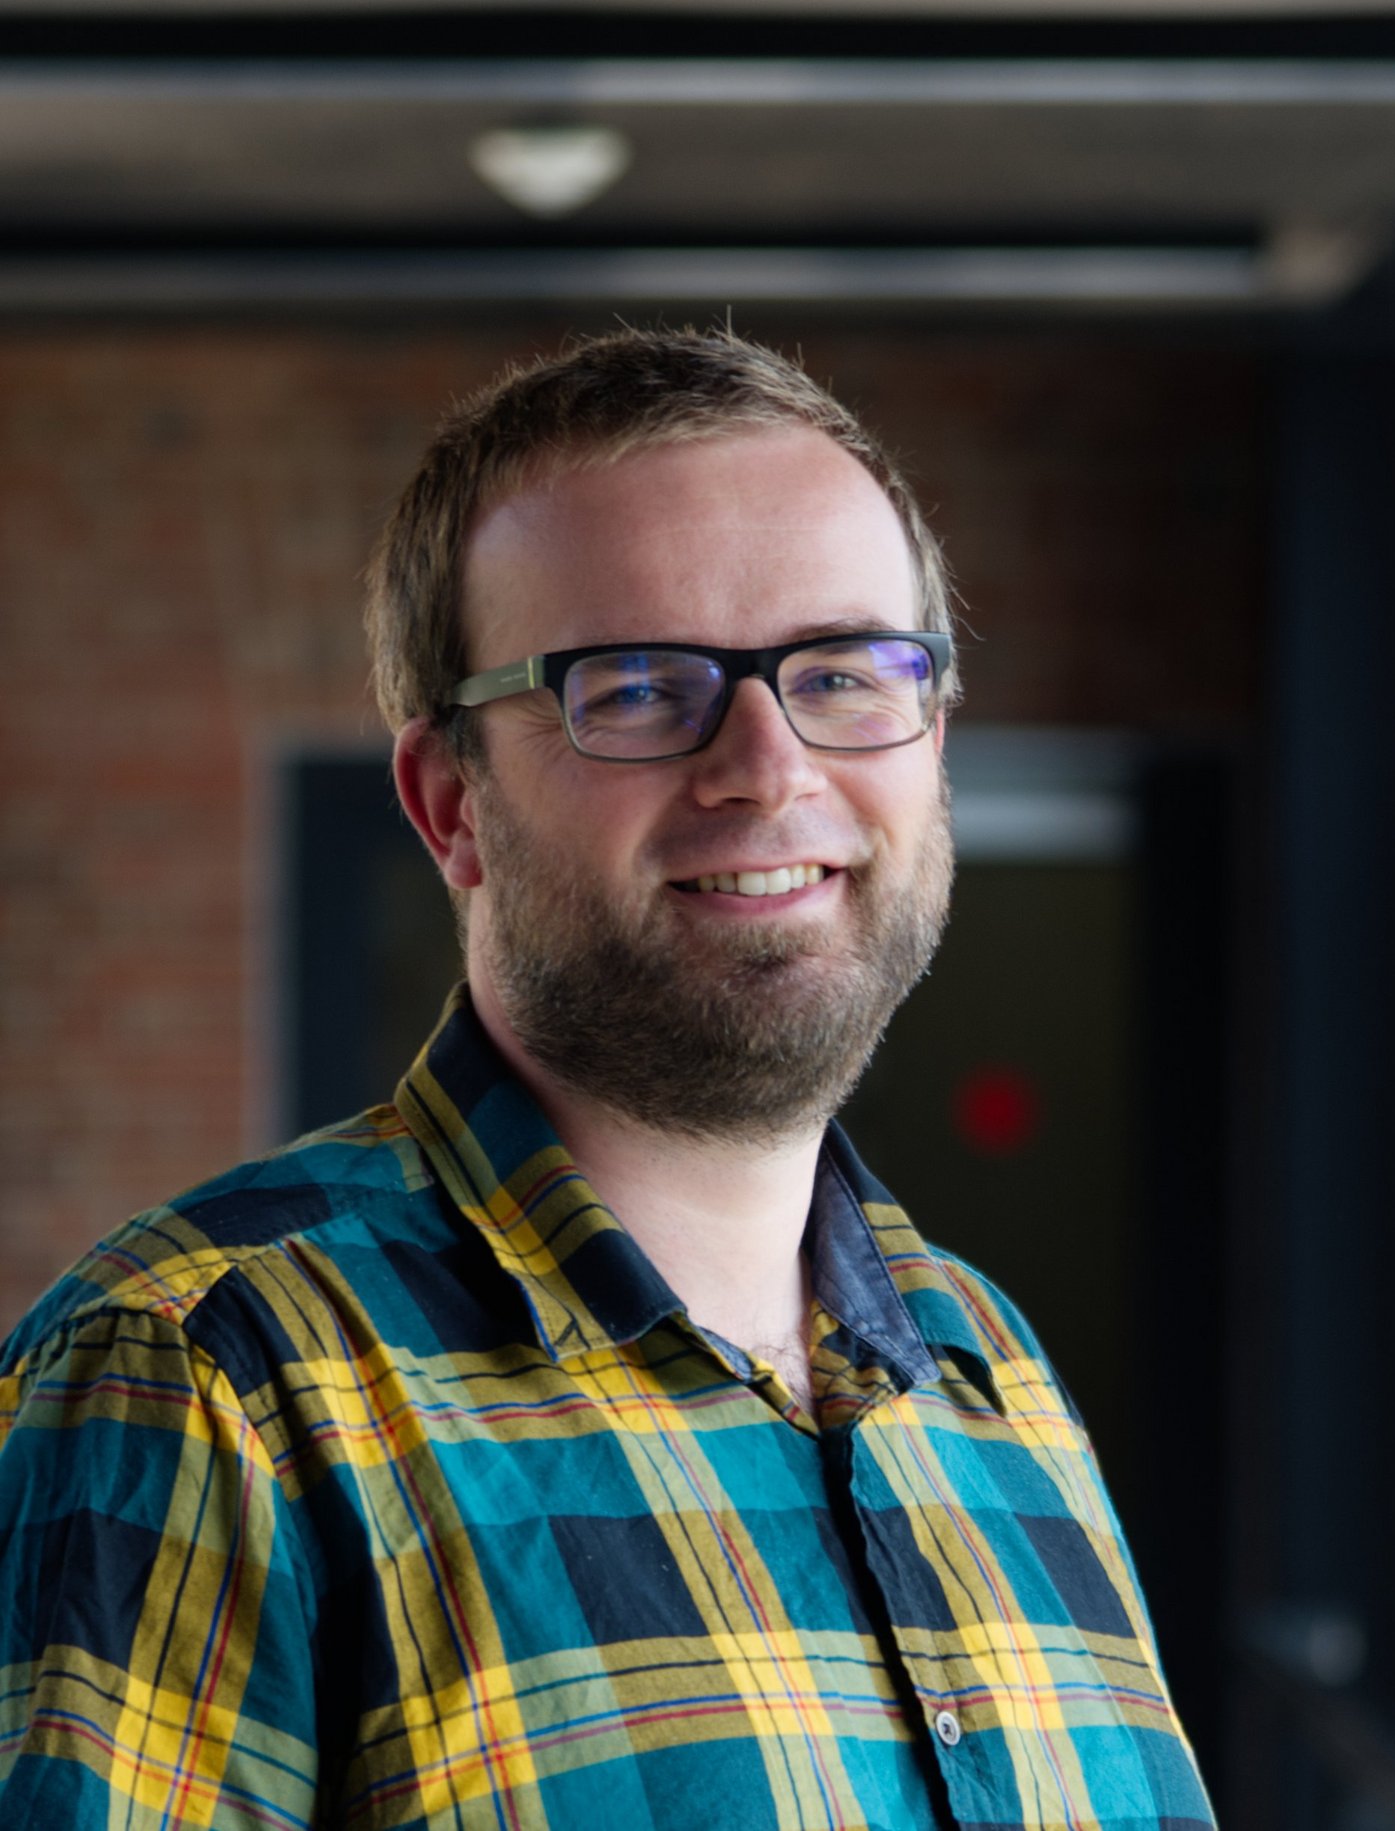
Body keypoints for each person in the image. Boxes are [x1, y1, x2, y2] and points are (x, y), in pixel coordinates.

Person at [0, 328, 1214, 1830]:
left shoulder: (989, 1378)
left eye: (843, 672)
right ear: (452, 805)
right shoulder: (210, 1378)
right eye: (640, 689)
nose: (768, 768)